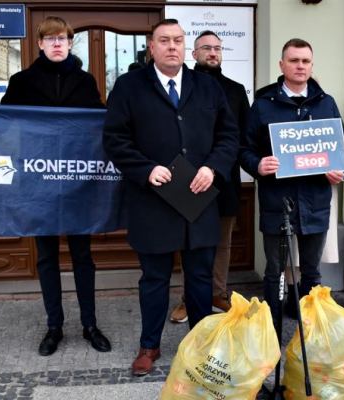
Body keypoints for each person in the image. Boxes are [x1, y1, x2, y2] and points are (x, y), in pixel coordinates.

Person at [0, 17, 111, 356]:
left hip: (77, 180)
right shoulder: (22, 81)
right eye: (50, 39)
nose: (57, 44)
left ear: (70, 43)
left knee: (83, 256)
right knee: (47, 257)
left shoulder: (85, 81)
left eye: (62, 38)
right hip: (38, 181)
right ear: (40, 44)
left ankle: (90, 325)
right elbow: (1, 122)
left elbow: (99, 123)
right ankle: (54, 326)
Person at [103, 19, 238, 376]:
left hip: (198, 199)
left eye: (178, 40)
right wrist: (145, 169)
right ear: (152, 46)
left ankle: (200, 345)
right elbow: (114, 139)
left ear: (185, 46)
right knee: (154, 279)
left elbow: (229, 136)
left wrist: (213, 168)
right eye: (164, 40)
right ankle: (149, 346)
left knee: (200, 279)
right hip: (152, 201)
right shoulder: (129, 86)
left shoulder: (207, 86)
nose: (172, 46)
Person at [239, 38, 344, 340]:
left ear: (312, 65)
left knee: (312, 273)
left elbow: (341, 147)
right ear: (282, 64)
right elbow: (244, 149)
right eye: (294, 60)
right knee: (274, 273)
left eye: (305, 61)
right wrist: (258, 164)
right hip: (278, 201)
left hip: (315, 201)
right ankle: (271, 337)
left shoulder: (326, 102)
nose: (300, 66)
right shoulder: (263, 104)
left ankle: (309, 338)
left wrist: (338, 169)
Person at [169, 30, 249, 323]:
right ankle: (187, 299)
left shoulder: (236, 90)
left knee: (222, 242)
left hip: (224, 179)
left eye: (217, 48)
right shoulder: (183, 86)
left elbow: (242, 137)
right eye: (206, 48)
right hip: (187, 180)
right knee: (189, 243)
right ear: (194, 53)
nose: (213, 53)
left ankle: (218, 292)